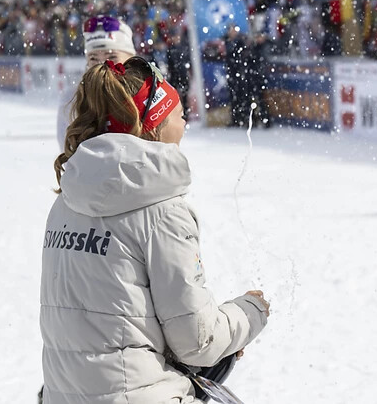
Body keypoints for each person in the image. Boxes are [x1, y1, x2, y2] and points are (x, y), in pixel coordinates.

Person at [41, 57, 270, 403]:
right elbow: (198, 341)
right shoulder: (163, 210)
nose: (185, 121)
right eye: (178, 113)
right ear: (153, 126)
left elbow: (110, 322)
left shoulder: (66, 199)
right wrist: (250, 312)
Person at [56, 15, 137, 152]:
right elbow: (68, 154)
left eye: (112, 56)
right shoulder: (72, 99)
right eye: (93, 58)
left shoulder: (151, 93)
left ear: (131, 58)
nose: (102, 65)